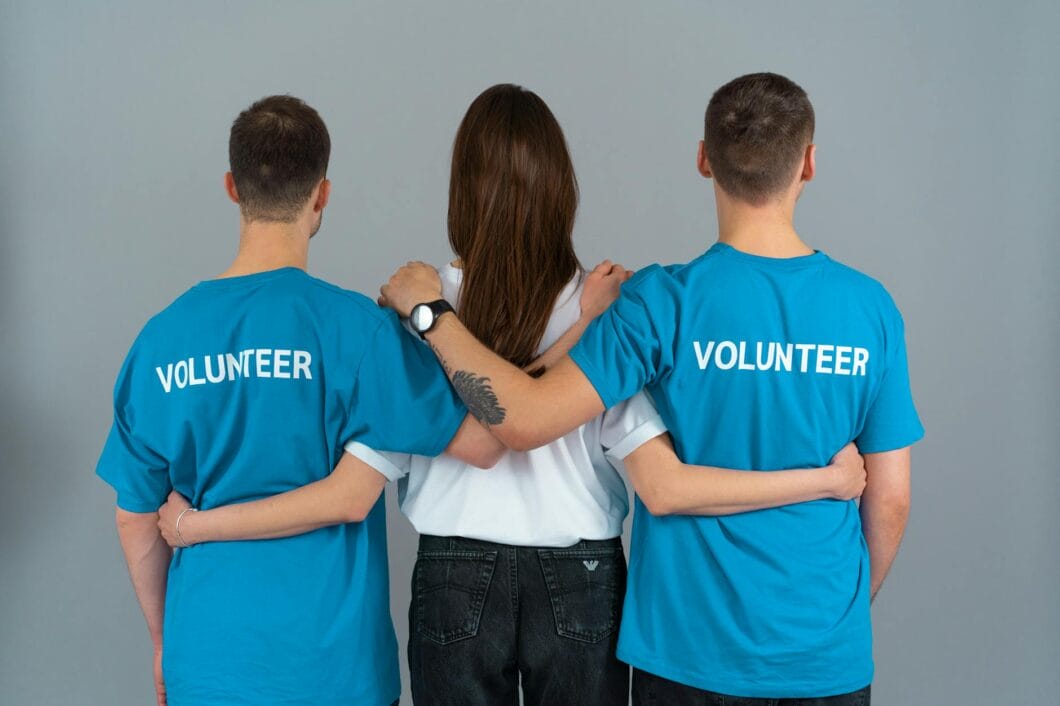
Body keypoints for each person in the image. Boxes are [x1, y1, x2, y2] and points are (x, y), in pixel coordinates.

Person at [154, 84, 866, 706]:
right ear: (561, 186)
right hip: (581, 574)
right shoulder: (611, 308)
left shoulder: (420, 310)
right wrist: (584, 322)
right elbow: (545, 423)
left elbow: (475, 431)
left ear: (462, 187)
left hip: (456, 571)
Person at [378, 73, 923, 705]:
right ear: (808, 163)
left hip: (687, 647)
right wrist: (830, 517)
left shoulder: (661, 305)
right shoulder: (870, 308)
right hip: (816, 640)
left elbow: (525, 424)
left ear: (703, 158)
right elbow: (890, 502)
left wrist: (429, 314)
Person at [95, 94, 506, 706]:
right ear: (322, 195)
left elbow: (136, 516)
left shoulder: (159, 341)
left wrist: (165, 644)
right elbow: (487, 434)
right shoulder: (358, 332)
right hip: (334, 672)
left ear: (232, 187)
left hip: (205, 662)